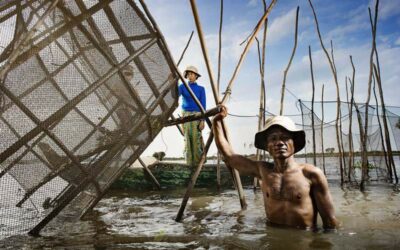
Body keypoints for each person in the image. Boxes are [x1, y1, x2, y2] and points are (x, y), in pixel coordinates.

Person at [212, 105, 339, 230]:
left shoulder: (311, 174)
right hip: (272, 234)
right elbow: (229, 156)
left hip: (304, 238)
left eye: (285, 138)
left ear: (294, 144)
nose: (279, 143)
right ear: (267, 147)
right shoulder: (263, 170)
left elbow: (330, 221)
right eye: (273, 139)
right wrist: (216, 122)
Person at [178, 66, 206, 166]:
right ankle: (189, 164)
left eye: (192, 74)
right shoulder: (182, 86)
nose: (190, 76)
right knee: (187, 138)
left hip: (197, 116)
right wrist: (173, 81)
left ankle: (199, 164)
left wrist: (203, 120)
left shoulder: (201, 89)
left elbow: (203, 105)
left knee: (196, 138)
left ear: (196, 76)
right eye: (188, 74)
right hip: (185, 115)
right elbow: (174, 95)